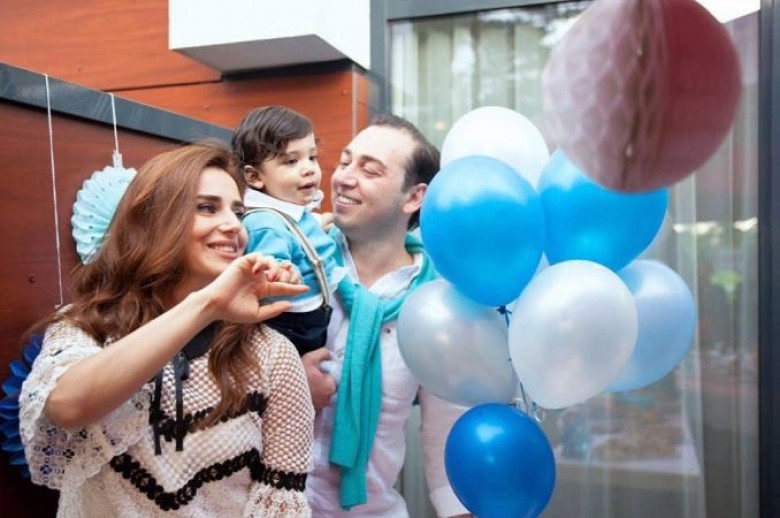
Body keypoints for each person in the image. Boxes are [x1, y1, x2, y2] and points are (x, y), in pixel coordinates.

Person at [19, 144, 315, 517]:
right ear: (154, 220)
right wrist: (207, 305)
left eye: (238, 212)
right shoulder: (86, 327)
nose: (234, 226)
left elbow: (280, 506)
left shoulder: (270, 354)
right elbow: (68, 407)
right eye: (207, 207)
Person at [303, 115, 473, 517]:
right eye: (345, 162)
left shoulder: (437, 305)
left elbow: (444, 436)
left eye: (369, 170)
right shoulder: (297, 263)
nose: (344, 178)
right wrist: (287, 389)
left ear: (413, 197)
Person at [232, 106, 344, 357]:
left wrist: (319, 223)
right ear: (254, 176)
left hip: (311, 311)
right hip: (292, 323)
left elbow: (297, 227)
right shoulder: (264, 223)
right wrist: (281, 272)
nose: (309, 168)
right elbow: (270, 261)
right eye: (291, 161)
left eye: (312, 157)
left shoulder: (289, 207)